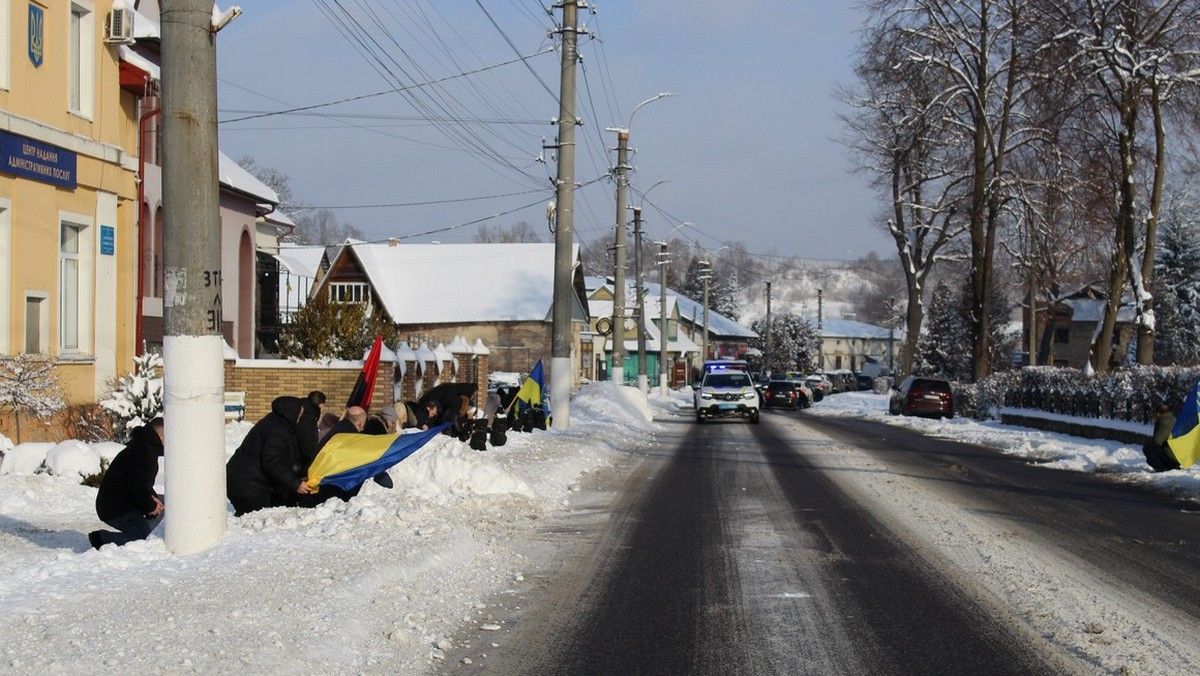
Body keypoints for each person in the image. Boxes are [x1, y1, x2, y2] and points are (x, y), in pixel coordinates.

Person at [226, 396, 313, 516]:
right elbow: (272, 463)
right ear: (292, 412)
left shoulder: (278, 423)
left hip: (248, 483)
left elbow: (285, 456)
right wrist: (295, 483)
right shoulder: (276, 430)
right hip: (248, 486)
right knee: (255, 521)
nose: (300, 417)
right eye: (300, 413)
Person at [88, 418, 166, 549]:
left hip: (123, 501)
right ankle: (102, 539)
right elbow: (137, 486)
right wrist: (150, 506)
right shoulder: (144, 452)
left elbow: (140, 482)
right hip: (115, 508)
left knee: (165, 502)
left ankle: (144, 529)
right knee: (143, 538)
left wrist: (152, 498)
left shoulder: (142, 448)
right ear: (161, 435)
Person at [1143, 403, 1181, 472]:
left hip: (1173, 457)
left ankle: (1162, 469)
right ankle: (1168, 467)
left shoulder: (1165, 421)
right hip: (1176, 455)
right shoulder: (1171, 418)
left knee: (1147, 448)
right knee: (1151, 450)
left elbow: (1158, 441)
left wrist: (1149, 441)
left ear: (1158, 413)